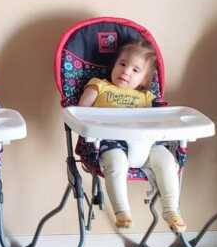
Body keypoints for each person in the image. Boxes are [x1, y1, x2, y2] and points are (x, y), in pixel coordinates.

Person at [77, 40, 186, 233]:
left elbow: (161, 118)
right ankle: (122, 212)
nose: (126, 71)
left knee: (168, 162)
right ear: (114, 65)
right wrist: (90, 96)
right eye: (122, 64)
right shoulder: (99, 85)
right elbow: (80, 111)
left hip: (146, 144)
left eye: (136, 70)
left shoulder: (147, 97)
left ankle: (171, 210)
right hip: (111, 142)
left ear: (145, 80)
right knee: (116, 164)